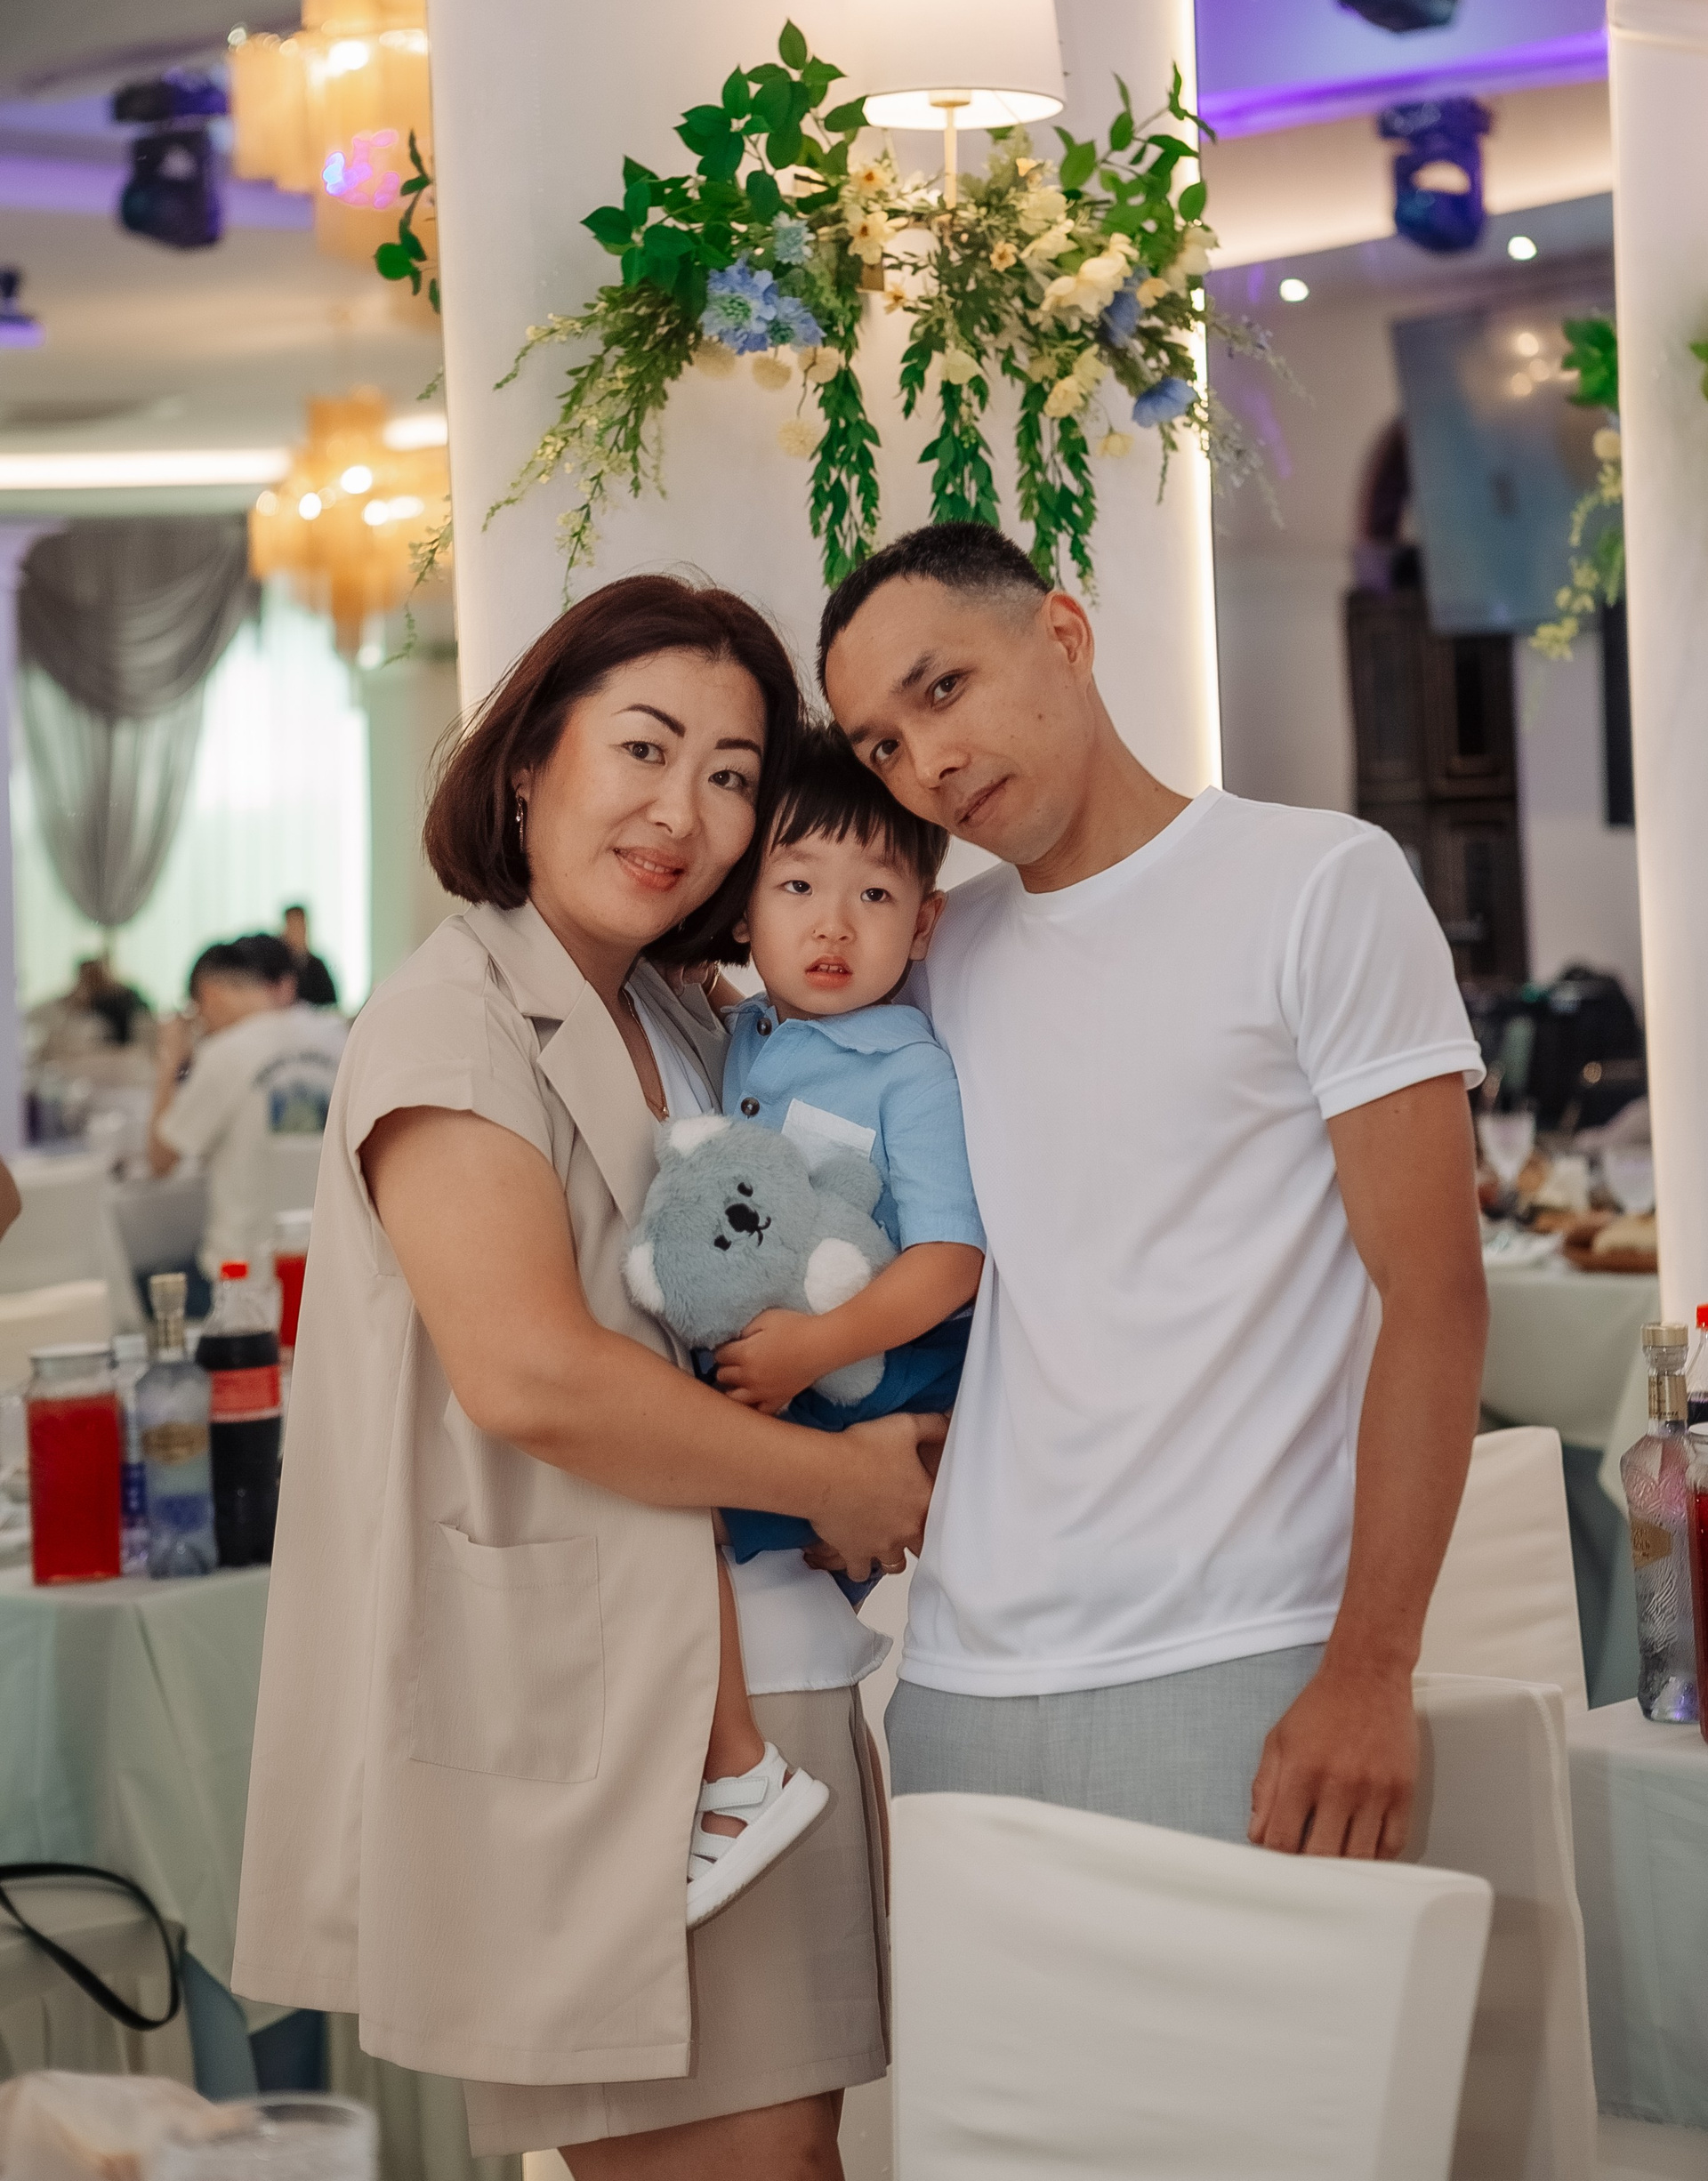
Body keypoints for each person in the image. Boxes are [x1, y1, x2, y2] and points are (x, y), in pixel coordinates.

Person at [231, 575, 944, 2181]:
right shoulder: (452, 1028)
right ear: (529, 761)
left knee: (800, 2150)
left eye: (731, 774)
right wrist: (840, 1481)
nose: (683, 811)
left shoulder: (687, 1017)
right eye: (643, 747)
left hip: (763, 1673)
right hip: (614, 1718)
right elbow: (534, 1377)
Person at [818, 521, 1488, 1863]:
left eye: (943, 688)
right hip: (958, 1680)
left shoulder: (1319, 884)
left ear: (1063, 636)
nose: (926, 762)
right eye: (881, 745)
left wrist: (1372, 1666)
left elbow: (1438, 1295)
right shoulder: (937, 959)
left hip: (1243, 1653)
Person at [680, 725, 985, 1929]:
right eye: (798, 887)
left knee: (681, 1520)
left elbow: (951, 1260)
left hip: (870, 1369)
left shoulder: (908, 1068)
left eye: (875, 896)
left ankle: (741, 1780)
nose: (833, 926)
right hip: (789, 1380)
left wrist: (814, 1347)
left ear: (924, 923)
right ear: (746, 908)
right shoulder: (743, 1032)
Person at [149, 933, 347, 1287]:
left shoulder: (225, 1053)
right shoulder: (338, 1038)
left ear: (209, 993)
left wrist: (169, 1059)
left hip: (244, 1272)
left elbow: (161, 1160)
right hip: (329, 1267)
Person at [280, 904, 339, 1007]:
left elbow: (330, 1003)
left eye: (299, 926)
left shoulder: (317, 966)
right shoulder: (280, 966)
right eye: (292, 927)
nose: (296, 932)